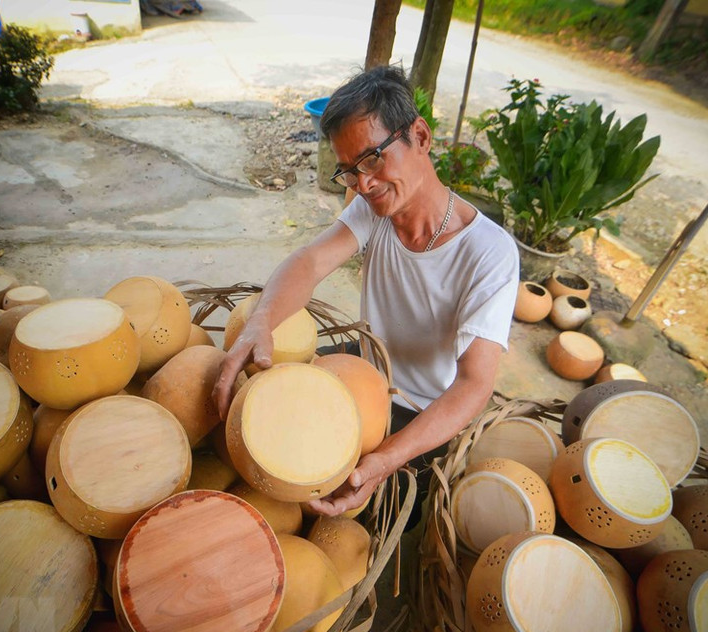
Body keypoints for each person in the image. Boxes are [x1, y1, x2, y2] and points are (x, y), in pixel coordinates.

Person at [213, 65, 519, 526]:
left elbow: (475, 385)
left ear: (420, 135)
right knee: (266, 439)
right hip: (364, 365)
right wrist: (261, 320)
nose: (364, 183)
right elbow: (310, 262)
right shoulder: (374, 208)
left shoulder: (489, 254)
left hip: (421, 411)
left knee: (346, 515)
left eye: (373, 158)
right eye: (349, 171)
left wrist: (386, 458)